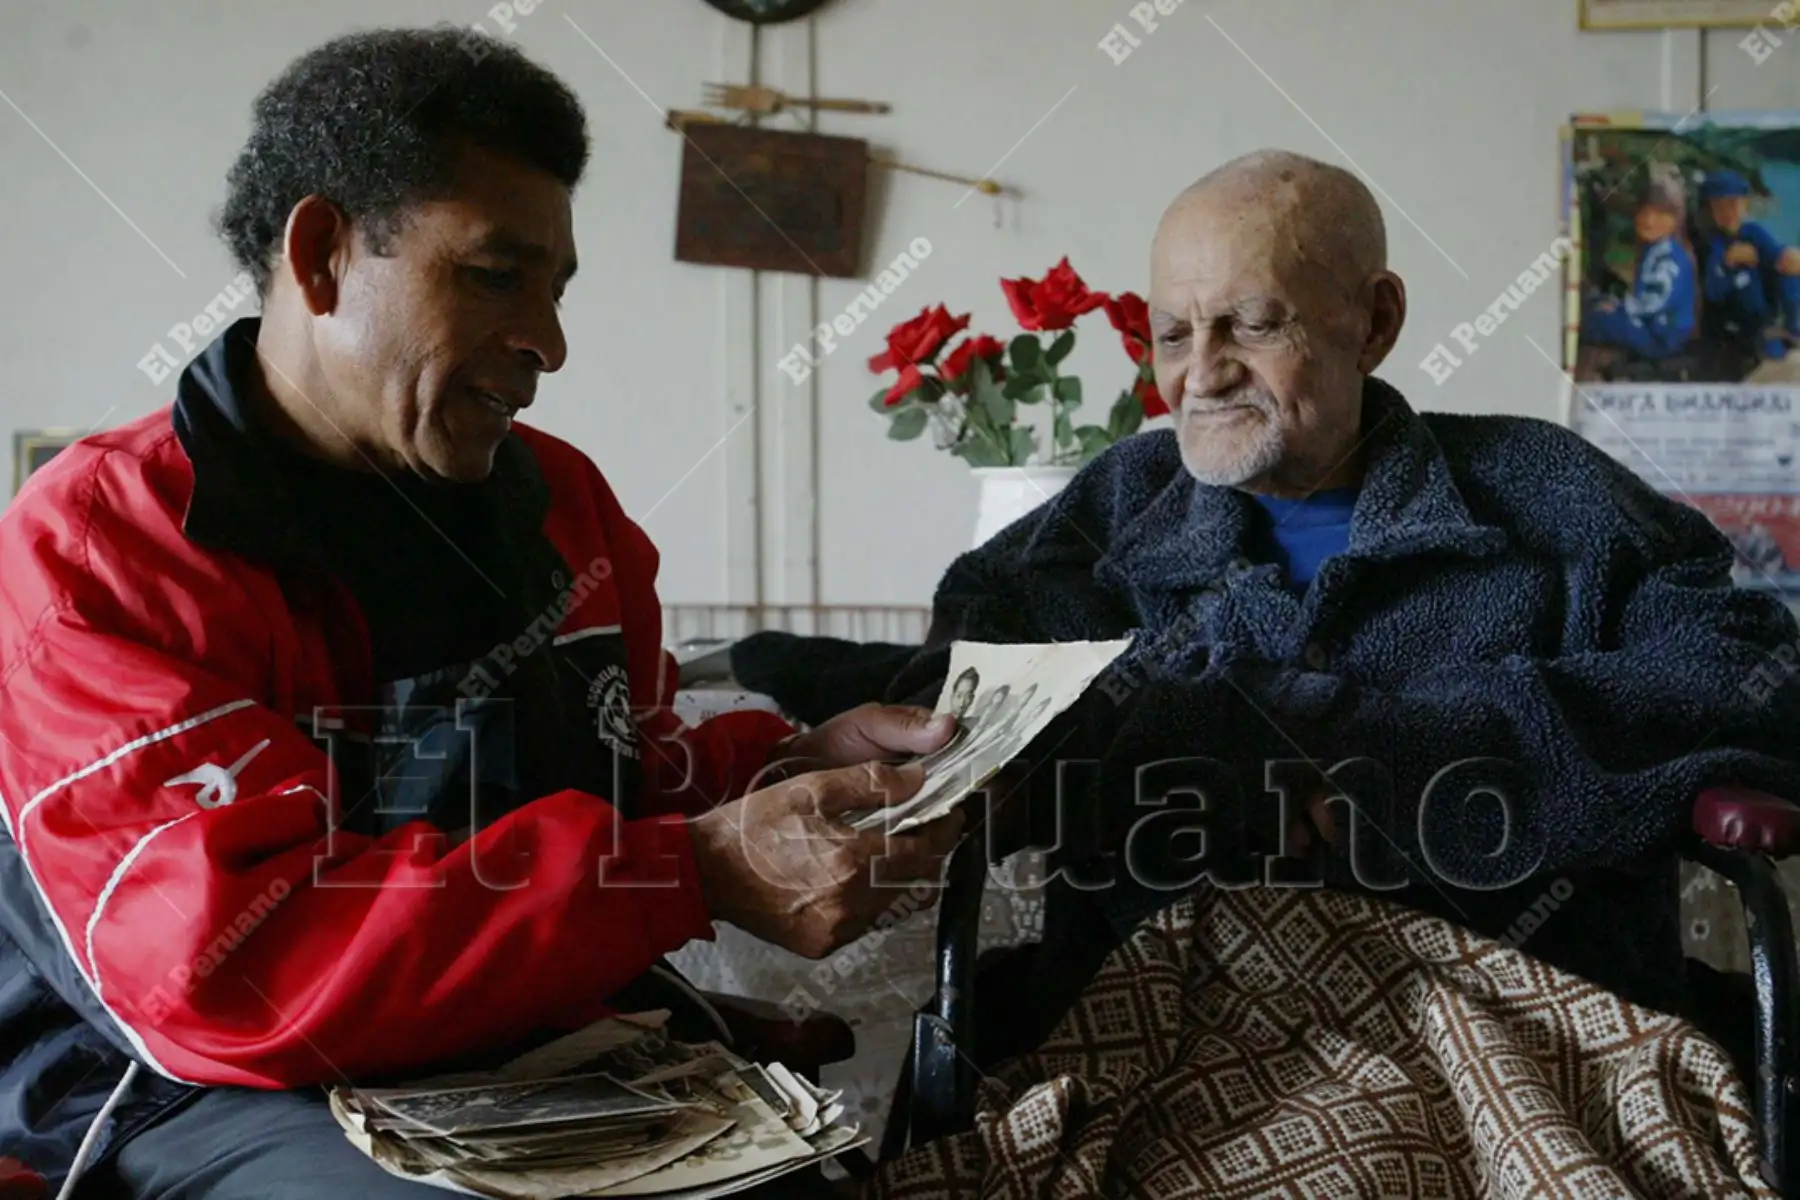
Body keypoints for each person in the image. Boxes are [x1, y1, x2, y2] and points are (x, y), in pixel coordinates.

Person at [0, 29, 962, 1198]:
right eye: (496, 276)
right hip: (186, 1082)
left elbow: (626, 772)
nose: (548, 344)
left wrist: (788, 769)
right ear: (321, 256)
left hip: (506, 1043)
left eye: (557, 291)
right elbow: (239, 972)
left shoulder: (563, 506)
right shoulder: (100, 551)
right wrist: (693, 870)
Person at [886, 148, 1800, 1062]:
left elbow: (1750, 675)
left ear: (1375, 321)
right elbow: (956, 708)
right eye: (1171, 335)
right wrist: (1212, 748)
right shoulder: (1115, 511)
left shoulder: (1549, 492)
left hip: (1520, 1041)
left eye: (1251, 324)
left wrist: (1405, 755)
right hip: (1167, 1050)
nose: (1201, 374)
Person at [1583, 177, 1699, 361]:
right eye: (1644, 213)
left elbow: (1656, 299)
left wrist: (1621, 309)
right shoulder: (1652, 251)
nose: (1649, 221)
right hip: (1649, 323)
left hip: (1661, 335)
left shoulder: (1669, 257)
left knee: (1599, 321)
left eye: (1660, 214)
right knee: (1596, 307)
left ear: (1675, 219)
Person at [1700, 168, 1800, 361]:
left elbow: (1776, 255)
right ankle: (1765, 338)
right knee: (1743, 279)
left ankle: (1792, 329)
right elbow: (1713, 292)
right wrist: (1727, 262)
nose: (1727, 212)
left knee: (1788, 267)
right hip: (1738, 322)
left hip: (1768, 309)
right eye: (1719, 207)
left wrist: (1789, 257)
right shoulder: (1714, 244)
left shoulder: (1753, 232)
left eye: (1732, 204)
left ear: (1744, 204)